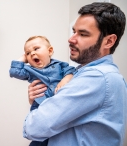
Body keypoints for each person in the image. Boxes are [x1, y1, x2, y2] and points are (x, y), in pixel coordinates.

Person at [23, 2, 127, 146]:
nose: (71, 39)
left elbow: (34, 127)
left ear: (109, 41)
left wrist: (39, 107)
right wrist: (38, 98)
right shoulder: (90, 74)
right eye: (74, 31)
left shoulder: (97, 77)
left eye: (83, 34)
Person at [9, 36, 75, 146]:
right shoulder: (30, 70)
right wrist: (22, 58)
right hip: (39, 105)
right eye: (28, 53)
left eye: (36, 49)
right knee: (39, 137)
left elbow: (71, 71)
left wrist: (65, 79)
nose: (32, 54)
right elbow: (14, 72)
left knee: (58, 132)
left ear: (50, 51)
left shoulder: (59, 65)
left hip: (58, 104)